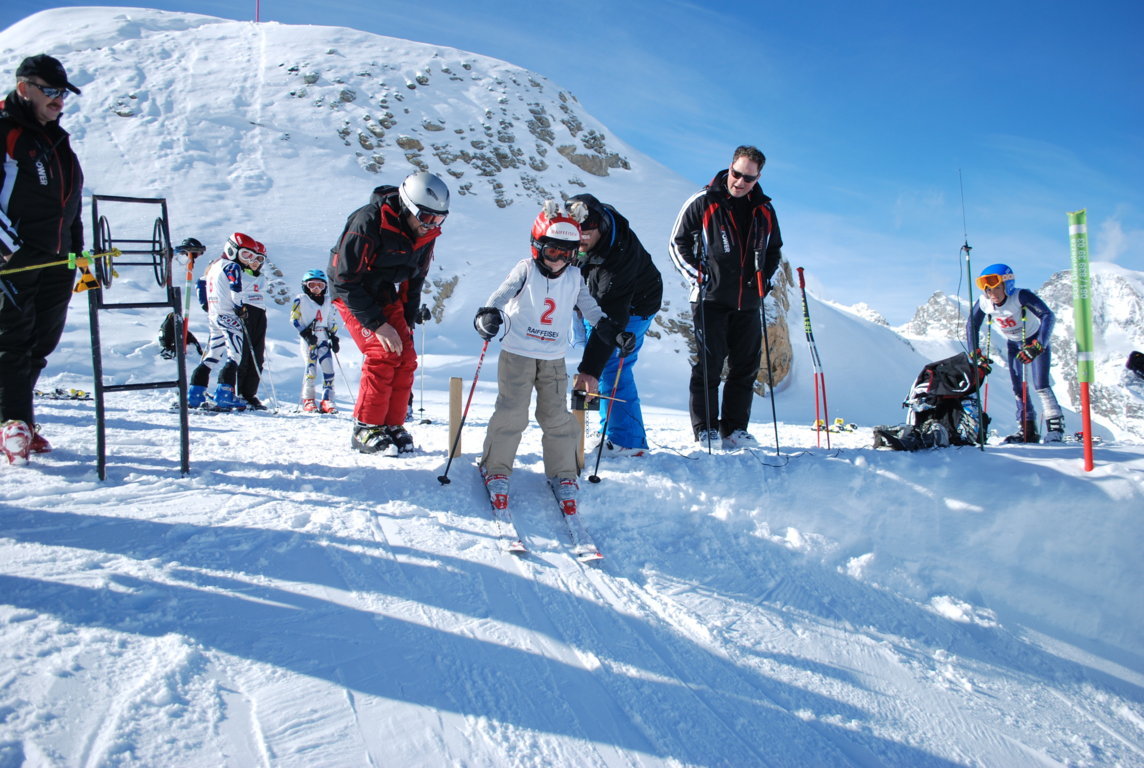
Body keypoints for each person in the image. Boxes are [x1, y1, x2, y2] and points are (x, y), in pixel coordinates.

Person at [473, 200, 631, 514]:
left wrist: (613, 332)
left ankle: (563, 472)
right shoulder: (526, 269)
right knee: (512, 413)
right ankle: (497, 468)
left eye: (567, 253)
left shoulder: (574, 277)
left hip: (553, 359)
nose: (559, 261)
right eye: (552, 251)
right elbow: (500, 296)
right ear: (537, 247)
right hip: (518, 354)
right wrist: (487, 315)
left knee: (557, 417)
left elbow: (592, 310)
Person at [669, 145, 783, 451]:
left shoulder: (765, 210)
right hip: (711, 299)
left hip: (749, 301)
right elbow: (677, 243)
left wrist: (765, 279)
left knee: (745, 367)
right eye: (737, 174)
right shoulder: (704, 200)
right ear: (729, 167)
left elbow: (774, 250)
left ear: (758, 178)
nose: (740, 182)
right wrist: (700, 277)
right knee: (709, 364)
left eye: (749, 178)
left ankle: (734, 429)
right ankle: (705, 428)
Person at [0, 54, 85, 463]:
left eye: (63, 93)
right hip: (14, 258)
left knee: (41, 342)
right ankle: (12, 422)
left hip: (57, 259)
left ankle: (22, 422)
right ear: (24, 88)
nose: (58, 99)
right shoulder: (6, 130)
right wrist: (5, 246)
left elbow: (72, 205)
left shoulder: (57, 140)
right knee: (12, 339)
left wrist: (78, 256)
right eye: (50, 90)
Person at [329, 171, 447, 455]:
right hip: (352, 291)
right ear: (408, 207)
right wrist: (378, 324)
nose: (431, 225)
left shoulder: (426, 234)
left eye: (439, 219)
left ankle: (392, 424)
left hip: (383, 293)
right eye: (426, 217)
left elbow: (414, 282)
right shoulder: (368, 221)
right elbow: (345, 279)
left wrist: (407, 323)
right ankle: (366, 426)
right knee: (382, 352)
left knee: (405, 357)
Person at [567, 193, 662, 458]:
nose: (580, 239)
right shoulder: (576, 236)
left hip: (635, 305)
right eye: (576, 234)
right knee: (598, 362)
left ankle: (627, 441)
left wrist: (589, 369)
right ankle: (608, 429)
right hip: (595, 301)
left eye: (587, 233)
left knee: (610, 363)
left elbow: (611, 318)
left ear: (601, 226)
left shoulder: (619, 254)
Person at [966, 263, 1064, 443]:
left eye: (997, 288)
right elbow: (972, 324)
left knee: (1041, 385)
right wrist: (975, 352)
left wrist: (1038, 345)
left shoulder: (1020, 296)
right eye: (988, 290)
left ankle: (1055, 429)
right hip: (1014, 345)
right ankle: (1027, 431)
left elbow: (1048, 315)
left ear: (1007, 285)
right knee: (1018, 388)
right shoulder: (984, 302)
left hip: (1034, 341)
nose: (992, 294)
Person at [188, 233, 266, 411]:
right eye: (245, 254)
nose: (248, 260)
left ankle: (195, 392)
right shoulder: (232, 266)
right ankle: (224, 394)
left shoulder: (215, 265)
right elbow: (235, 288)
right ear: (233, 249)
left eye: (252, 257)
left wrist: (206, 304)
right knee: (235, 355)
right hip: (228, 315)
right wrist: (240, 307)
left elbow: (203, 284)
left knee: (213, 354)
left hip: (215, 314)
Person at [291, 268, 340, 413]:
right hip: (309, 339)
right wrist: (305, 334)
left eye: (320, 285)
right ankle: (308, 399)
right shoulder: (301, 299)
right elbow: (294, 319)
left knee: (329, 369)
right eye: (312, 285)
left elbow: (331, 319)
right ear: (305, 286)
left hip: (323, 337)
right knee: (310, 369)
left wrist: (334, 336)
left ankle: (327, 399)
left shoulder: (328, 301)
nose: (316, 288)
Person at [235, 243, 269, 409]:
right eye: (254, 259)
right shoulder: (240, 273)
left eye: (260, 259)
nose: (256, 263)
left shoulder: (262, 277)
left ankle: (250, 393)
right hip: (245, 311)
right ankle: (238, 392)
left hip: (259, 313)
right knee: (244, 354)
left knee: (258, 355)